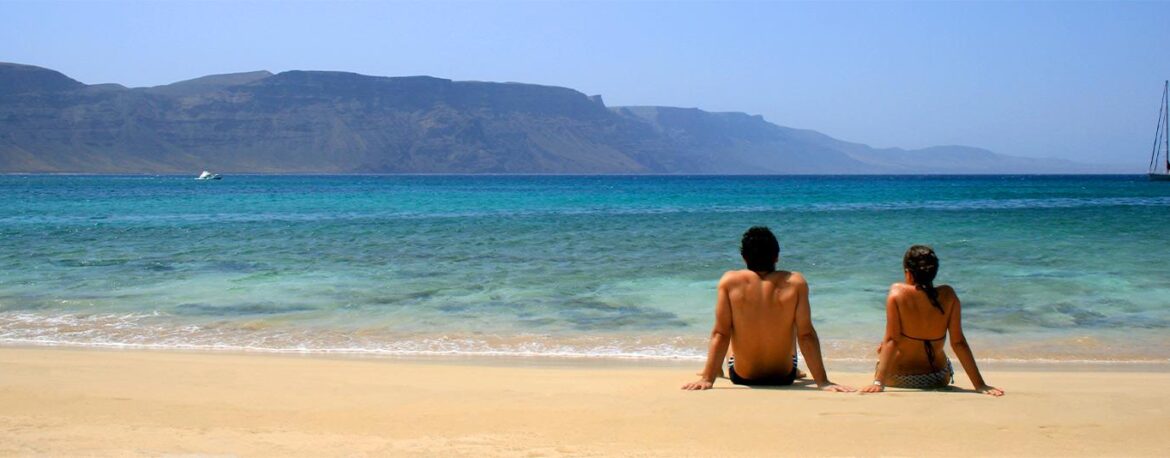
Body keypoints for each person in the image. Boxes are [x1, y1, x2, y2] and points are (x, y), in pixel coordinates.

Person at [682, 226, 852, 392]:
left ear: (744, 257)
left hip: (742, 376)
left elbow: (721, 333)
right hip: (784, 377)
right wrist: (823, 382)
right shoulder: (796, 282)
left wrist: (707, 379)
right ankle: (796, 368)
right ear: (777, 256)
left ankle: (715, 370)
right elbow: (806, 336)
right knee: (793, 323)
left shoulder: (730, 281)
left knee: (729, 327)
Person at [860, 245, 1004, 396]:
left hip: (895, 378)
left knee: (884, 346)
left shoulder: (897, 293)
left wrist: (878, 383)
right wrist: (980, 384)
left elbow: (892, 341)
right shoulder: (949, 295)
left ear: (908, 273)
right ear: (934, 272)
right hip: (936, 378)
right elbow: (958, 343)